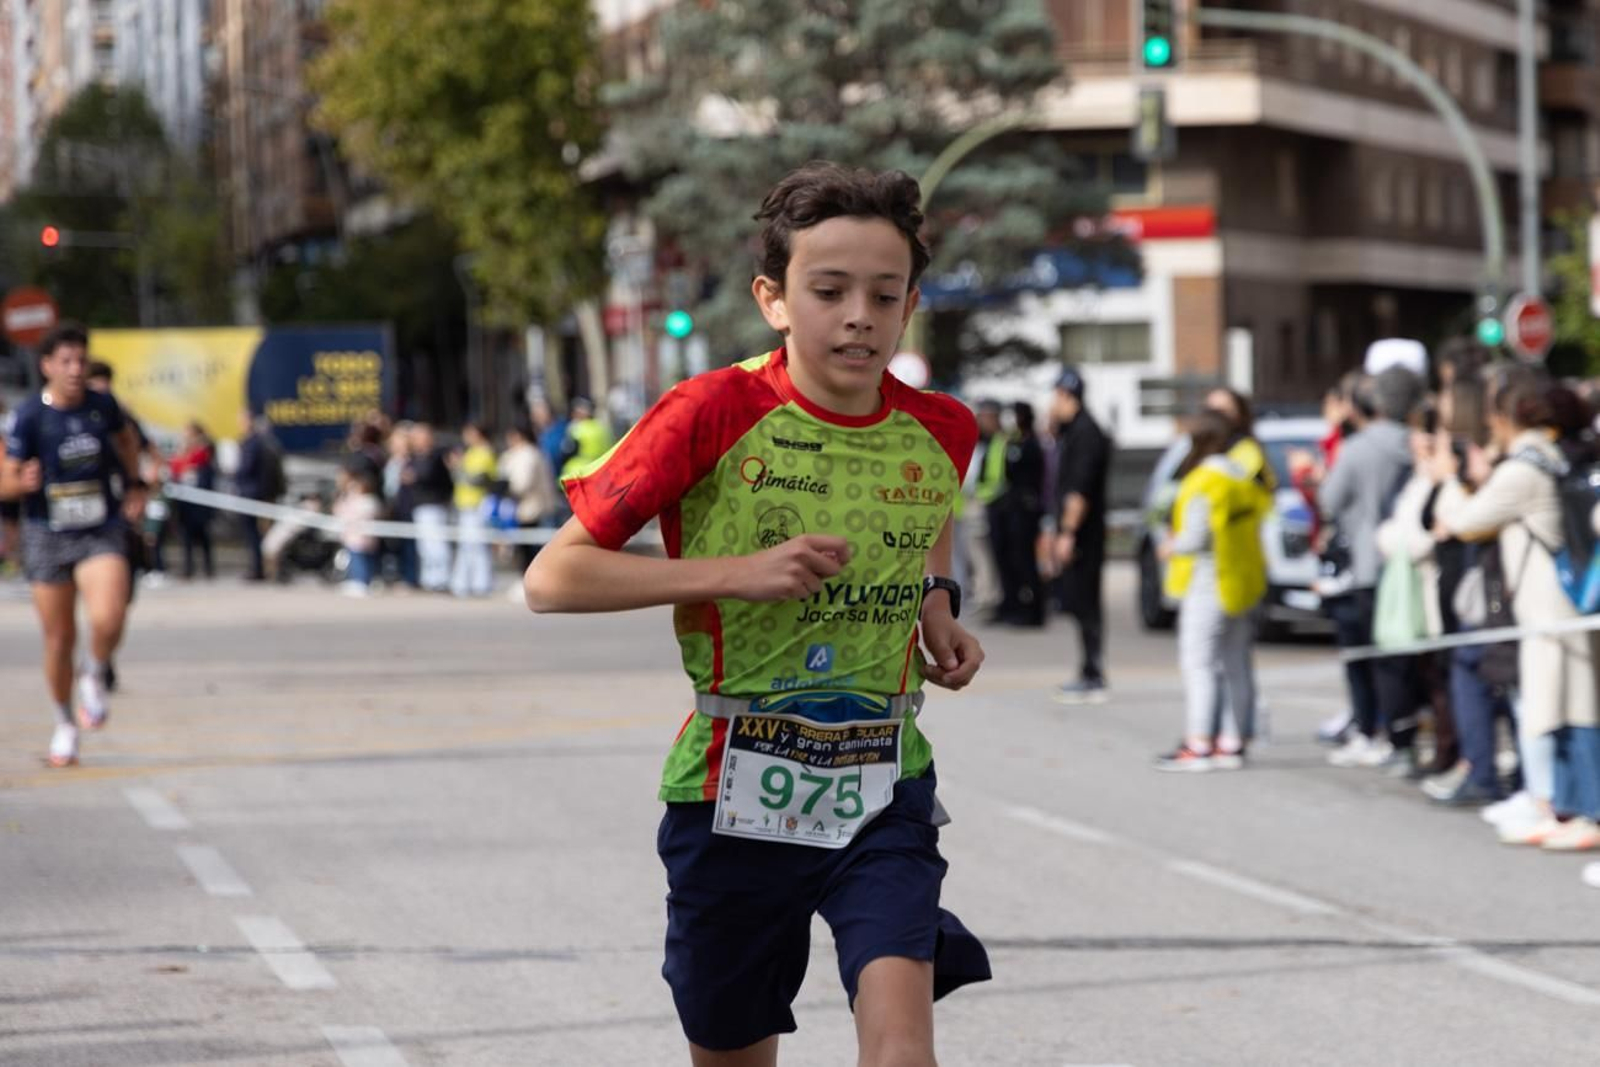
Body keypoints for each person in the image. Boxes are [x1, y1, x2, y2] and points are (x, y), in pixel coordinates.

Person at [525, 162, 990, 1066]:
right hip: (731, 789)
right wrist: (733, 573)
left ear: (910, 305)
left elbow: (929, 514)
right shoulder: (709, 412)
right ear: (773, 299)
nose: (859, 313)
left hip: (880, 780)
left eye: (884, 294)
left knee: (903, 1050)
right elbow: (554, 576)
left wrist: (938, 601)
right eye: (829, 290)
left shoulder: (944, 428)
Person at [1435, 378, 1600, 851]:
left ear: (1512, 419)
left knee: (1568, 711)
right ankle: (1566, 807)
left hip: (1552, 606)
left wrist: (1450, 478)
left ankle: (1581, 809)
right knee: (1563, 708)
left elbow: (1466, 523)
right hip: (1560, 601)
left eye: (1495, 415)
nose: (1490, 424)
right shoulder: (1549, 458)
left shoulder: (1523, 469)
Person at [0, 322, 146, 768]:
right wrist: (17, 483)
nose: (75, 369)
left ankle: (96, 670)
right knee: (59, 638)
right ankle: (65, 723)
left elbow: (127, 442)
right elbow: (5, 480)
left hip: (99, 528)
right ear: (46, 366)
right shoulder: (28, 415)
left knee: (109, 615)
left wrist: (135, 483)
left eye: (81, 360)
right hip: (48, 531)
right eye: (65, 361)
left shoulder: (103, 407)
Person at [1317, 368, 1421, 769]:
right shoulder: (1417, 445)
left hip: (1369, 563)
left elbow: (1330, 499)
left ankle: (1375, 730)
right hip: (1413, 559)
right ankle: (1404, 732)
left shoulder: (1358, 449)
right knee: (1410, 657)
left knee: (1371, 655)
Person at [1155, 409, 1267, 771]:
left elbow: (1196, 537)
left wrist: (1171, 545)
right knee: (1235, 662)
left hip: (1207, 581)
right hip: (1241, 581)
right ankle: (1232, 743)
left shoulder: (1204, 480)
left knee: (1199, 663)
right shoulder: (1241, 476)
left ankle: (1199, 743)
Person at [1049, 367, 1113, 703]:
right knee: (1079, 602)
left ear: (1065, 395)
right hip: (1078, 531)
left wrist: (1068, 532)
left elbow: (1079, 490)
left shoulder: (1087, 433)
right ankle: (1088, 669)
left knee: (1087, 603)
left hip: (1084, 534)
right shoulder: (1073, 431)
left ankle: (1093, 673)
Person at [991, 401, 1046, 627]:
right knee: (1010, 559)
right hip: (1010, 510)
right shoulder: (1011, 443)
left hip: (1025, 511)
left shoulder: (1032, 444)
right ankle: (1012, 605)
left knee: (1026, 560)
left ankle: (1034, 609)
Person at [961, 399, 1004, 617]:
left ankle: (989, 596)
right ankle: (984, 594)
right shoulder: (982, 442)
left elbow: (994, 477)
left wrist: (980, 494)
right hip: (973, 501)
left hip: (983, 502)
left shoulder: (997, 442)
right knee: (975, 554)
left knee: (983, 554)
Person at [233, 409, 284, 582]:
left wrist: (234, 475)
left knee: (257, 535)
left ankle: (260, 569)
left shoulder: (252, 443)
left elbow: (245, 469)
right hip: (262, 493)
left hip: (253, 494)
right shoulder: (262, 441)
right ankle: (266, 569)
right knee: (263, 534)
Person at [500, 420, 557, 573]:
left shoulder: (529, 454)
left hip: (532, 510)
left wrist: (504, 488)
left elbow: (522, 483)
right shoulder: (516, 454)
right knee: (523, 550)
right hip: (520, 509)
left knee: (532, 551)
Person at [449, 421, 498, 597]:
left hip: (477, 505)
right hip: (466, 505)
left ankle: (481, 584)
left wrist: (458, 466)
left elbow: (478, 480)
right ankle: (463, 584)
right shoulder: (471, 452)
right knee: (466, 546)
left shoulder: (485, 453)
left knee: (477, 546)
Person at [167, 421, 217, 580]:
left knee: (203, 535)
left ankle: (208, 568)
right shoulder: (183, 452)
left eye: (188, 432)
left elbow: (206, 477)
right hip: (185, 502)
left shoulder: (204, 452)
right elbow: (175, 468)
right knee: (186, 536)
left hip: (200, 502)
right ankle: (188, 568)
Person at [408, 423, 455, 592]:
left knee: (437, 544)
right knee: (425, 546)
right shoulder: (415, 457)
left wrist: (415, 477)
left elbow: (432, 477)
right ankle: (430, 578)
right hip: (420, 505)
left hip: (434, 505)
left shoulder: (436, 456)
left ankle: (442, 578)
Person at [334, 461, 382, 596]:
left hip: (361, 538)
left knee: (361, 560)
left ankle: (362, 582)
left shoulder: (367, 502)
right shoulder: (355, 500)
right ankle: (357, 580)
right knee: (355, 559)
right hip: (354, 537)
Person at [558, 396, 615, 482]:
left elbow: (566, 450)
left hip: (579, 473)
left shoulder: (576, 427)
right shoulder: (602, 427)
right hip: (602, 470)